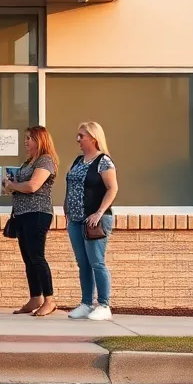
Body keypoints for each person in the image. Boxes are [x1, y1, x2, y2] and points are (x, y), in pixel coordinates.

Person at [1, 126, 59, 317]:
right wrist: (10, 185)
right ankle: (36, 297)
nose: (25, 141)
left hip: (38, 213)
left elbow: (33, 186)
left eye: (29, 138)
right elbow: (22, 185)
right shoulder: (28, 161)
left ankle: (49, 300)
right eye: (25, 138)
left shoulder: (45, 160)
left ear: (40, 140)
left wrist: (12, 186)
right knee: (28, 258)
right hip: (23, 214)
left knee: (37, 256)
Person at [64, 120, 119, 321]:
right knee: (83, 263)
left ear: (93, 138)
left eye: (82, 136)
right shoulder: (78, 161)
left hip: (94, 221)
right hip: (75, 220)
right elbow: (71, 184)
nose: (78, 139)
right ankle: (86, 303)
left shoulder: (104, 161)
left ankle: (104, 305)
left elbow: (112, 188)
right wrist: (66, 207)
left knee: (97, 262)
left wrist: (99, 212)